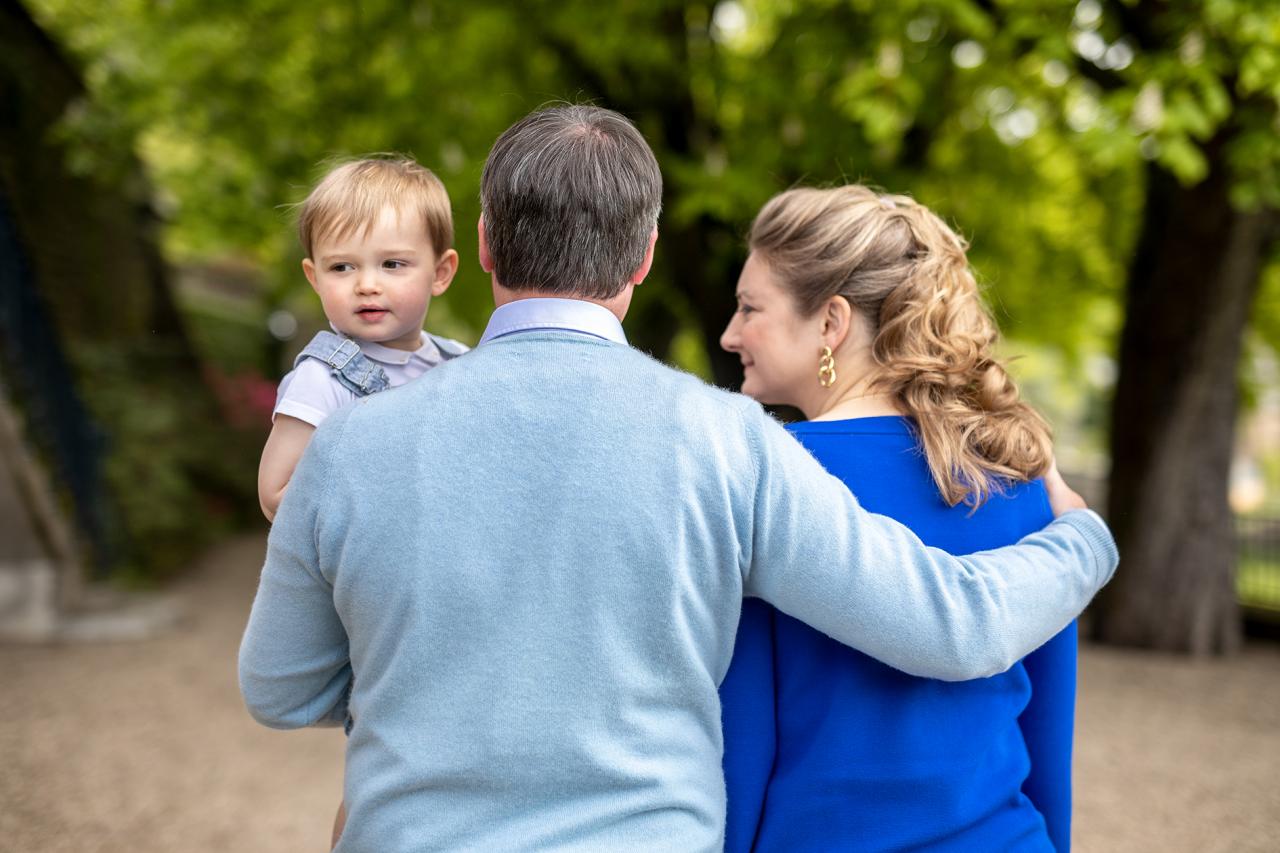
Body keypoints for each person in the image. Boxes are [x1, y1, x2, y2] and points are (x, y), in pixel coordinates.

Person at [238, 105, 1118, 852]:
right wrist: (1082, 539)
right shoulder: (726, 439)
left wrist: (432, 676)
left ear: (483, 243)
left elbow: (281, 687)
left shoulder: (348, 444)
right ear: (645, 254)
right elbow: (950, 624)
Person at [718, 185, 1078, 852]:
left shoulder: (766, 482)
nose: (730, 333)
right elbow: (1048, 723)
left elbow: (743, 742)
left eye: (748, 308)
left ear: (830, 323)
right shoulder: (1019, 478)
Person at [257, 156, 467, 521]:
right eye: (342, 267)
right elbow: (276, 494)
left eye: (392, 264)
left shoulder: (460, 365)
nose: (367, 285)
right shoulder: (322, 380)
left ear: (440, 273)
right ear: (315, 277)